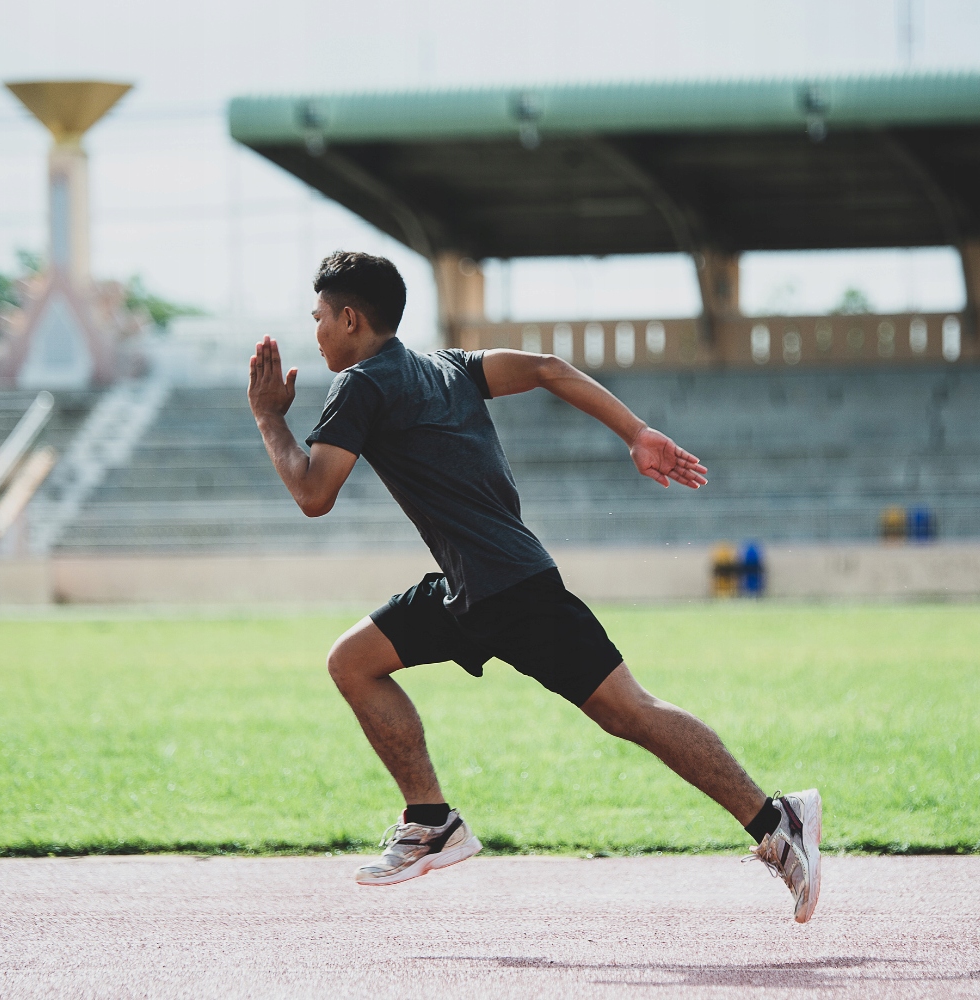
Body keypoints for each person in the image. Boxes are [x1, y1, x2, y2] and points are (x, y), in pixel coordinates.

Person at [247, 250, 822, 923]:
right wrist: (636, 432)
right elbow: (548, 368)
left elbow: (314, 493)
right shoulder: (449, 367)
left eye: (319, 317)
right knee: (353, 661)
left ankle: (775, 820)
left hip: (509, 590)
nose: (316, 332)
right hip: (474, 588)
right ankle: (430, 820)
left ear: (350, 319)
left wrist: (269, 417)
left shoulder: (361, 384)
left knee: (629, 712)